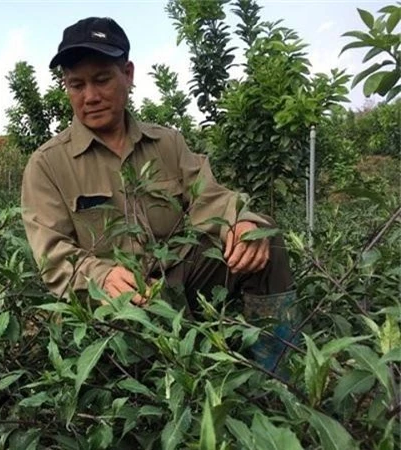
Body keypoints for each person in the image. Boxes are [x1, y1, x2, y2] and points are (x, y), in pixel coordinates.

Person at [21, 17, 299, 372]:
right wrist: (100, 276)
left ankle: (276, 374)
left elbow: (209, 199)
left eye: (102, 79)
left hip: (179, 279)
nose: (89, 96)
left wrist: (240, 221)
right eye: (77, 84)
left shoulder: (167, 142)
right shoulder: (48, 164)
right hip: (112, 301)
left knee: (263, 237)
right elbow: (53, 256)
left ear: (128, 74)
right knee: (135, 373)